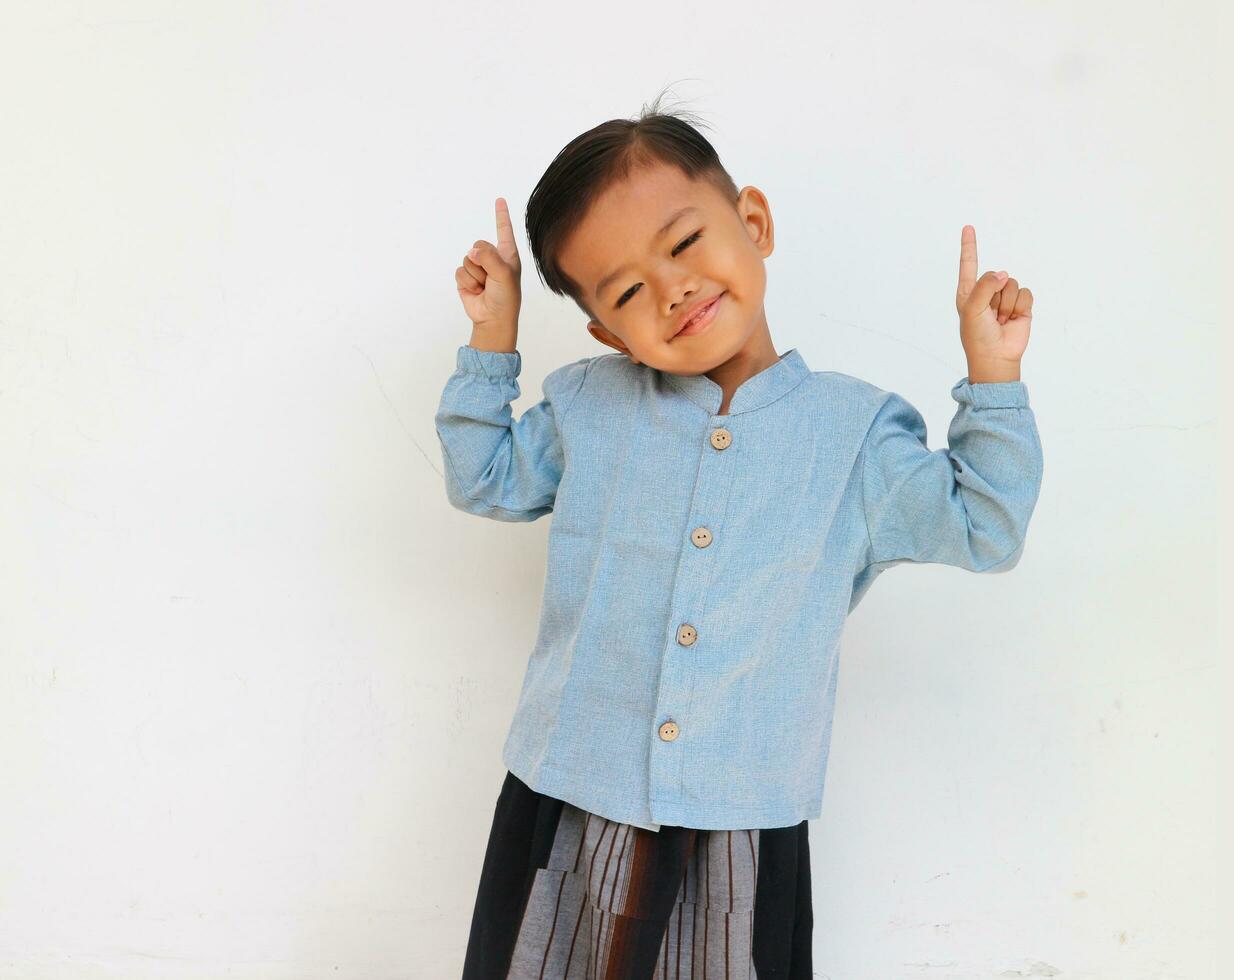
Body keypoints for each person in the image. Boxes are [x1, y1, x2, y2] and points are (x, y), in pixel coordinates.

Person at [436, 97, 1043, 980]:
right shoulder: (589, 405)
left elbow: (984, 526)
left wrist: (992, 372)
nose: (673, 287)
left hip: (739, 824)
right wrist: (493, 336)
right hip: (567, 794)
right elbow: (482, 476)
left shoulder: (854, 435)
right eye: (630, 290)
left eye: (682, 245)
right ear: (609, 332)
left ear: (752, 222)